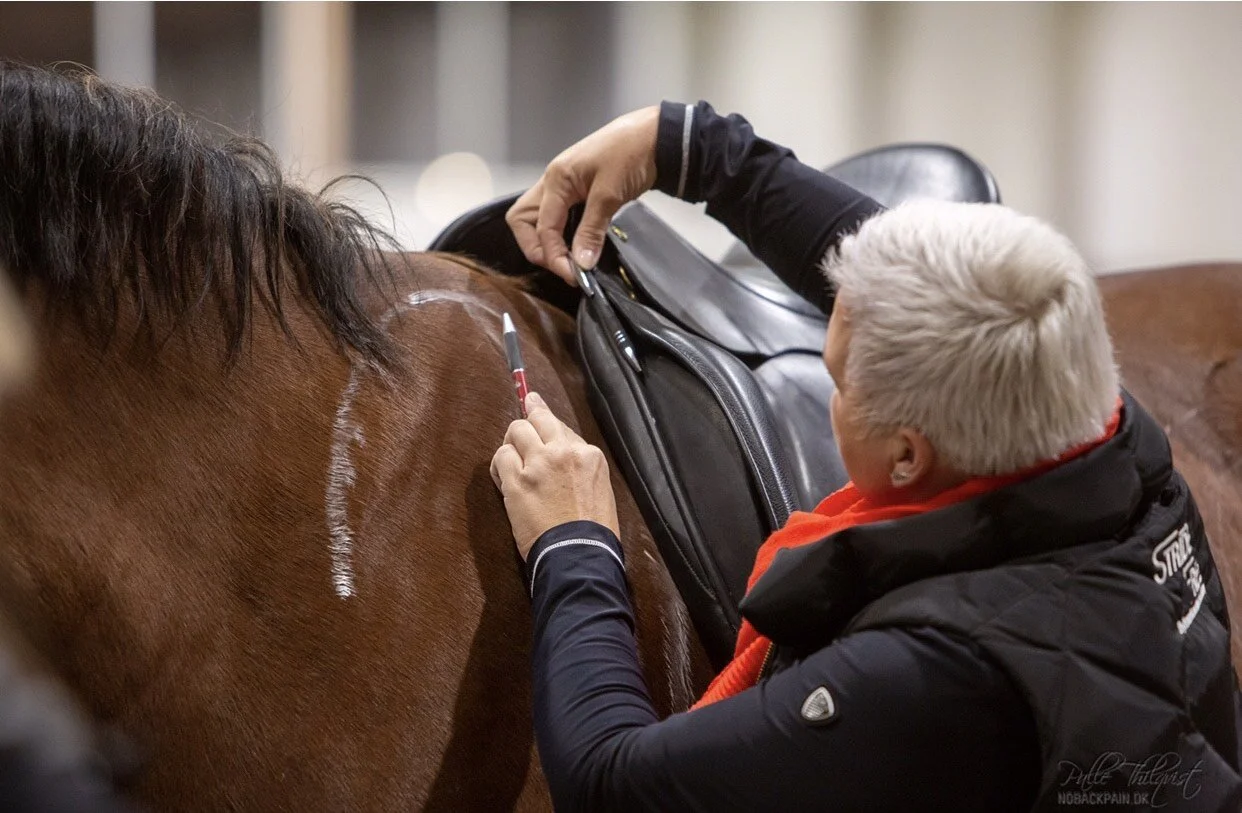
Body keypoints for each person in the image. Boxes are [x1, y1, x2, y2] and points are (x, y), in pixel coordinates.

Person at [489, 101, 1242, 811]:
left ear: (909, 456)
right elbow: (919, 282)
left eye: (839, 381)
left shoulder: (924, 674)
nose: (832, 389)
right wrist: (690, 147)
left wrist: (576, 543)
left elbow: (607, 784)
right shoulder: (1118, 446)